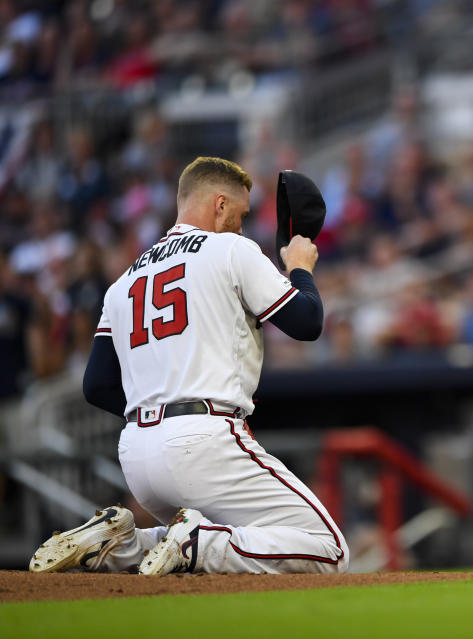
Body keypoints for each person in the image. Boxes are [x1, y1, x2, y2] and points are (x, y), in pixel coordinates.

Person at [29, 157, 349, 575]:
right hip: (205, 435)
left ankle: (124, 544)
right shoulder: (231, 249)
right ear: (219, 204)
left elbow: (97, 386)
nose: (242, 224)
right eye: (240, 213)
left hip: (138, 454)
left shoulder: (124, 281)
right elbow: (306, 323)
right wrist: (301, 268)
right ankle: (197, 543)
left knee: (239, 535)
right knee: (329, 549)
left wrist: (158, 409)